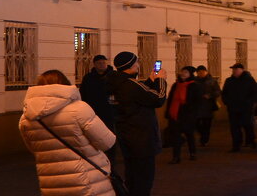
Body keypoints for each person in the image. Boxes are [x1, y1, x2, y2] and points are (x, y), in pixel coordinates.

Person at [19, 69, 117, 196]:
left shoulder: (26, 118)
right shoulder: (79, 109)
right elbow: (107, 142)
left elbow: (34, 148)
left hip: (50, 182)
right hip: (87, 180)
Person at [107, 50, 167, 196]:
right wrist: (161, 80)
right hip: (142, 138)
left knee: (132, 176)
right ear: (132, 65)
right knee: (143, 179)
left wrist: (149, 81)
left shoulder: (115, 83)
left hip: (126, 135)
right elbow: (158, 98)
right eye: (137, 62)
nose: (139, 65)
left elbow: (137, 97)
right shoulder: (130, 84)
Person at [164, 65, 201, 163]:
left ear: (190, 74)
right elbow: (171, 99)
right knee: (175, 136)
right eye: (182, 72)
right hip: (175, 114)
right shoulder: (176, 85)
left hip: (187, 115)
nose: (183, 74)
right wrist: (168, 112)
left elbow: (197, 102)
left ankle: (192, 153)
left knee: (189, 135)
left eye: (185, 72)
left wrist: (193, 113)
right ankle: (176, 157)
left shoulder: (194, 86)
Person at [221, 62, 257, 152]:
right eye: (233, 69)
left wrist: (250, 102)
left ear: (242, 70)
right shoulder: (229, 80)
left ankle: (251, 140)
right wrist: (227, 102)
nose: (234, 71)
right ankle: (236, 145)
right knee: (234, 127)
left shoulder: (249, 80)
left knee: (247, 125)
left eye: (236, 69)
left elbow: (256, 93)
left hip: (246, 108)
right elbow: (224, 93)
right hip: (233, 108)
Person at [193, 64, 221, 147]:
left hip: (208, 106)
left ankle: (204, 140)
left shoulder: (212, 81)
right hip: (197, 106)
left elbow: (218, 91)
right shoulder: (194, 81)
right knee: (196, 123)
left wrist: (210, 95)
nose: (201, 73)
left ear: (206, 72)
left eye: (202, 71)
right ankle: (203, 136)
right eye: (199, 72)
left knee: (207, 125)